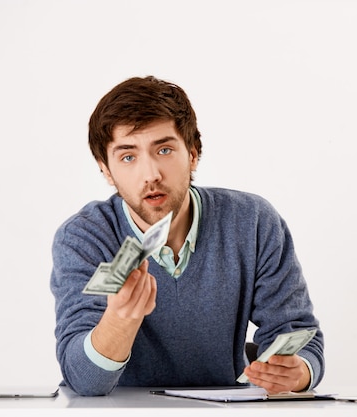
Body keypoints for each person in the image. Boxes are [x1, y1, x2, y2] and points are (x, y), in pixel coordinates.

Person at [50, 75, 325, 396]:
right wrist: (119, 320)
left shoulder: (253, 222)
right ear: (106, 169)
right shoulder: (83, 237)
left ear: (193, 153)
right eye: (128, 156)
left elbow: (300, 335)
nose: (150, 174)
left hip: (220, 410)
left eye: (164, 150)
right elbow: (83, 380)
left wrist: (298, 372)